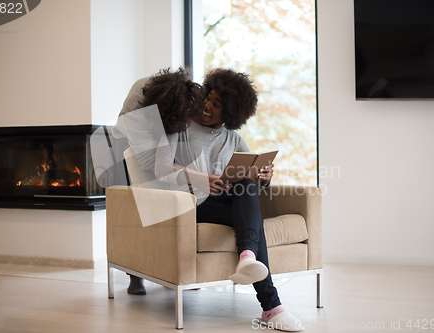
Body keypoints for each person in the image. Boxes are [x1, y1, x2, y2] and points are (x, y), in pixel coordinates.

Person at [153, 68, 304, 331]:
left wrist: (264, 176)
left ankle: (248, 258)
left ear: (231, 113)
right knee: (253, 223)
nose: (207, 105)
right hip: (190, 205)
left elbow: (253, 175)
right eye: (207, 97)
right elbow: (161, 168)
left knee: (247, 185)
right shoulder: (180, 125)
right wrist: (200, 178)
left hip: (221, 202)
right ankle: (272, 307)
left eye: (217, 104)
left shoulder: (234, 139)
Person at [111, 67, 203, 295]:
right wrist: (182, 174)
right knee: (145, 203)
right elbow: (150, 164)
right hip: (130, 145)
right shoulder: (137, 105)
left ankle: (168, 270)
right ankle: (136, 274)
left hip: (163, 133)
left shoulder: (182, 90)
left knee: (172, 196)